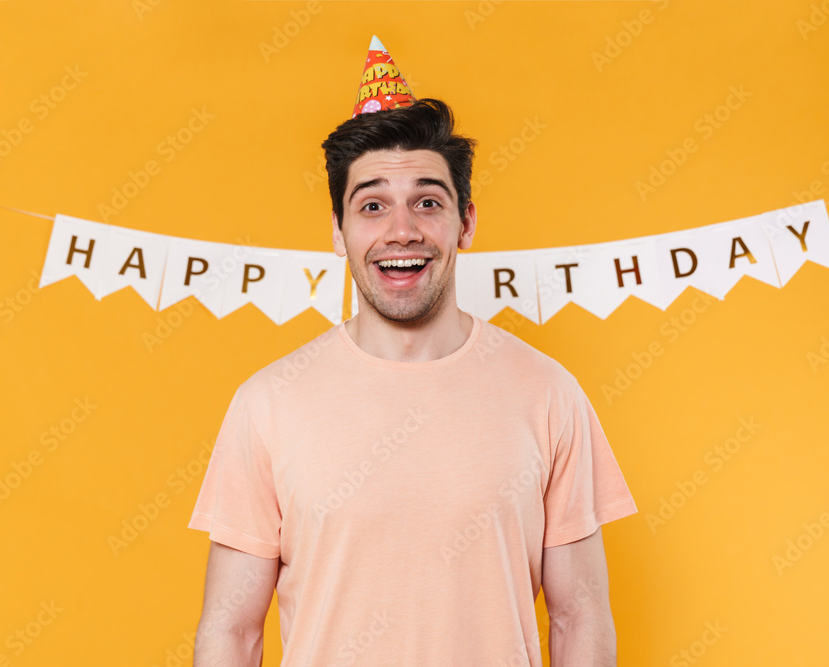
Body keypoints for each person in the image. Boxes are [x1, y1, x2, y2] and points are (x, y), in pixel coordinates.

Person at [189, 38, 637, 667]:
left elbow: (579, 614)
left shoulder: (549, 394)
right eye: (372, 205)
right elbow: (231, 632)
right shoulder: (267, 404)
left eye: (428, 201)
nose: (402, 230)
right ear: (339, 232)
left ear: (466, 222)